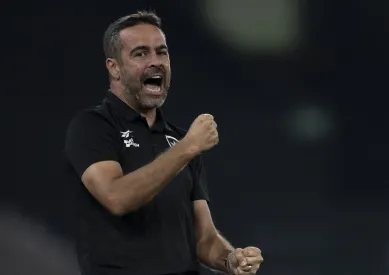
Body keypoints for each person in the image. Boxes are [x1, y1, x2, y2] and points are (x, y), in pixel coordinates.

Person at [63, 11, 263, 275]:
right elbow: (116, 197)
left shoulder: (180, 139)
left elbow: (203, 238)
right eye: (140, 54)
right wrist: (187, 148)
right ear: (114, 67)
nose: (155, 62)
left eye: (162, 52)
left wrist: (230, 259)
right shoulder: (92, 127)